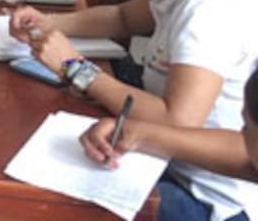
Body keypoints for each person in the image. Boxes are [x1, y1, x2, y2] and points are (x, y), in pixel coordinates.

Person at [11, 0, 258, 220]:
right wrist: (49, 24)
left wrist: (76, 68)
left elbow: (178, 120)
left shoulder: (208, 11)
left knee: (45, 199)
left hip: (203, 195)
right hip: (161, 158)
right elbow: (125, 18)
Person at [80, 66, 258, 217]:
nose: (241, 133)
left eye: (245, 127)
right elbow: (246, 160)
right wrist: (137, 135)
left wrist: (78, 70)